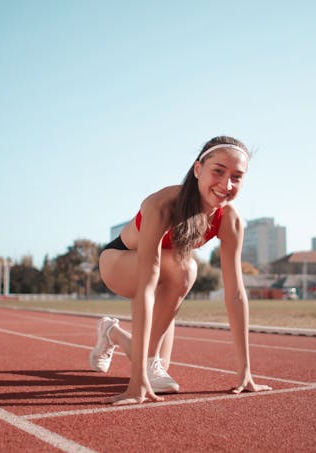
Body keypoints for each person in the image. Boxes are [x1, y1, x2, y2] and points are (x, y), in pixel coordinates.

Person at [92, 135, 272, 405]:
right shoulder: (163, 204)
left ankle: (112, 332)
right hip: (119, 261)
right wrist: (136, 382)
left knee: (157, 363)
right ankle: (140, 366)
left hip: (168, 274)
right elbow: (147, 284)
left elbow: (235, 293)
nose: (226, 184)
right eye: (218, 172)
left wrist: (245, 372)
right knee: (186, 266)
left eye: (237, 176)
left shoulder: (230, 220)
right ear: (198, 169)